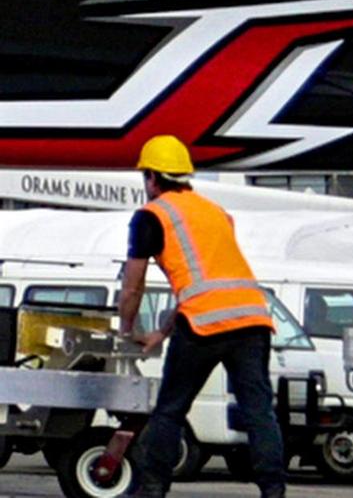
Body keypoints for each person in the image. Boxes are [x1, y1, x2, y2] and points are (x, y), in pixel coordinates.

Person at [119, 135, 286, 498]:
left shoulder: (152, 216)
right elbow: (204, 282)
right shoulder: (215, 212)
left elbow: (132, 288)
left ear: (151, 178)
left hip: (202, 328)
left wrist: (126, 330)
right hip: (252, 321)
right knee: (259, 413)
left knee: (170, 410)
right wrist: (162, 333)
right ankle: (274, 491)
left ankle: (150, 489)